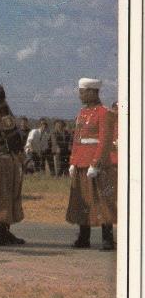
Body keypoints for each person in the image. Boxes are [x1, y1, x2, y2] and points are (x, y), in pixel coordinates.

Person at [66, 78, 116, 250]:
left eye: (82, 92)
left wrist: (96, 163)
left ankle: (107, 238)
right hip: (81, 162)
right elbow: (76, 140)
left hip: (96, 164)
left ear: (93, 92)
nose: (80, 95)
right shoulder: (82, 113)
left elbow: (105, 141)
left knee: (102, 199)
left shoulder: (105, 112)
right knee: (83, 200)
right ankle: (83, 236)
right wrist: (73, 161)